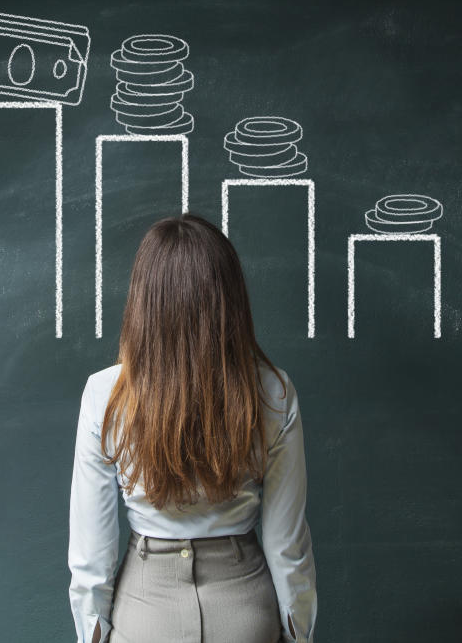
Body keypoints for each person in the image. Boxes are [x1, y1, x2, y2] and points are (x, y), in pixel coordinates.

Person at [68, 214, 317, 643]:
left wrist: (93, 634)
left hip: (146, 615)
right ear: (229, 299)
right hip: (245, 611)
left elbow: (92, 555)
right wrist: (298, 631)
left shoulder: (104, 395)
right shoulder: (274, 391)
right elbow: (286, 547)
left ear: (144, 299)